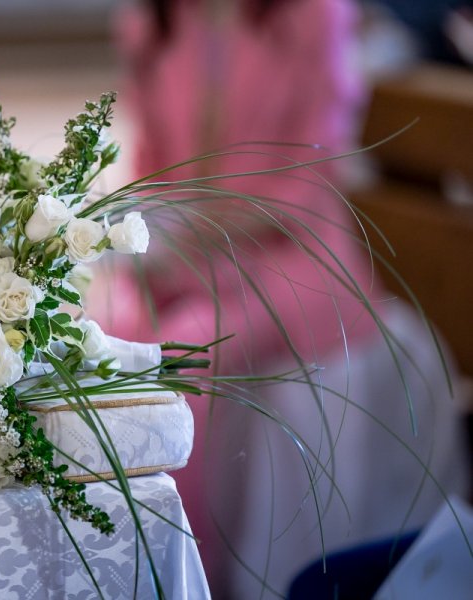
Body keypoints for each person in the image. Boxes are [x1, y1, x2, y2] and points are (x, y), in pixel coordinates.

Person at [94, 0, 469, 596]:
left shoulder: (312, 14)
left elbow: (308, 178)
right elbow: (151, 161)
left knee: (188, 350)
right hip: (192, 249)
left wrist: (183, 227)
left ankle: (182, 573)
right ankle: (109, 557)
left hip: (296, 257)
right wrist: (139, 236)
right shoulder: (156, 20)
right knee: (108, 332)